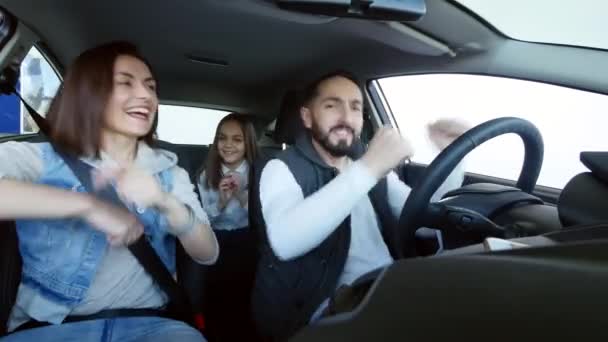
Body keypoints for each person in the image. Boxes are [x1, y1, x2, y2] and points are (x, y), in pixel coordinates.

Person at [0, 41, 218, 342]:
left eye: (151, 86)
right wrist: (86, 205)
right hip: (50, 329)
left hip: (152, 326)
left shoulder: (170, 173)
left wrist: (166, 202)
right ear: (89, 93)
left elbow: (208, 254)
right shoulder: (41, 159)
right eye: (125, 83)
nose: (145, 95)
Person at [251, 71, 470, 340]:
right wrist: (370, 167)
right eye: (332, 105)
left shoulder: (367, 167)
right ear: (307, 117)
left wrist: (455, 152)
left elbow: (424, 219)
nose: (346, 117)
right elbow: (284, 242)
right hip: (327, 307)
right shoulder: (281, 167)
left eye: (355, 107)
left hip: (387, 285)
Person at [197, 113, 259, 341]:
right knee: (218, 293)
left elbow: (262, 220)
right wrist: (221, 202)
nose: (229, 145)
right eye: (223, 138)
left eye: (237, 139)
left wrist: (243, 194)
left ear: (247, 143)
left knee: (247, 291)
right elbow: (203, 221)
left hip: (249, 239)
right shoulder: (207, 174)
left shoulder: (258, 172)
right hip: (217, 239)